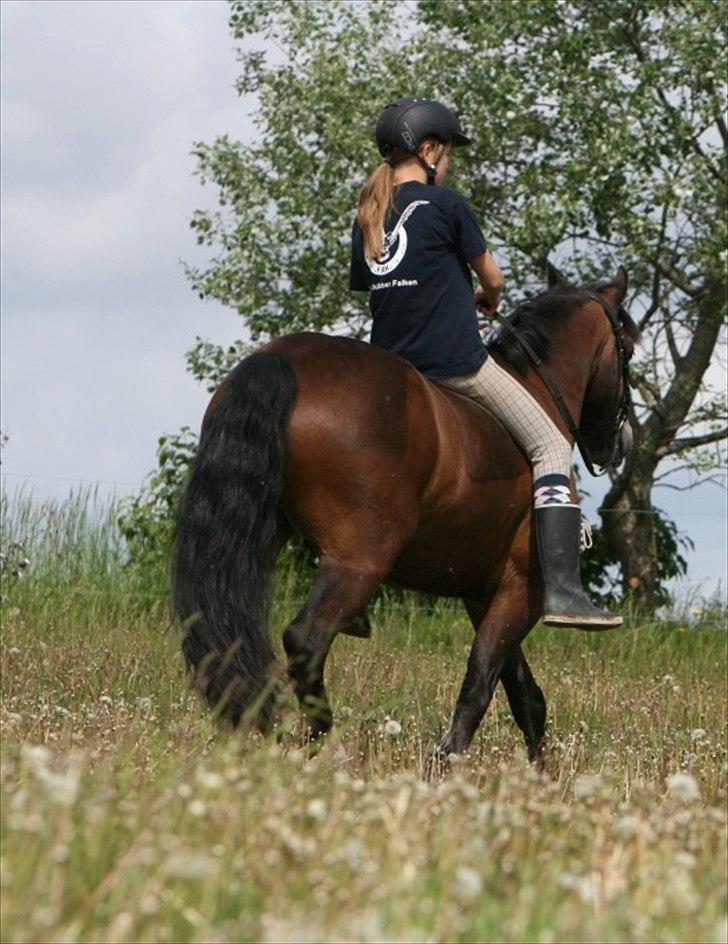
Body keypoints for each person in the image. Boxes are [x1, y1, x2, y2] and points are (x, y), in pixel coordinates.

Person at [349, 96, 622, 630]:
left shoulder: (369, 214)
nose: (446, 164)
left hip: (393, 370)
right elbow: (492, 277)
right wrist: (487, 298)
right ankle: (565, 590)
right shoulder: (448, 205)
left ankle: (353, 593)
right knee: (549, 446)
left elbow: (379, 289)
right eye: (446, 154)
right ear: (428, 151)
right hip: (456, 364)